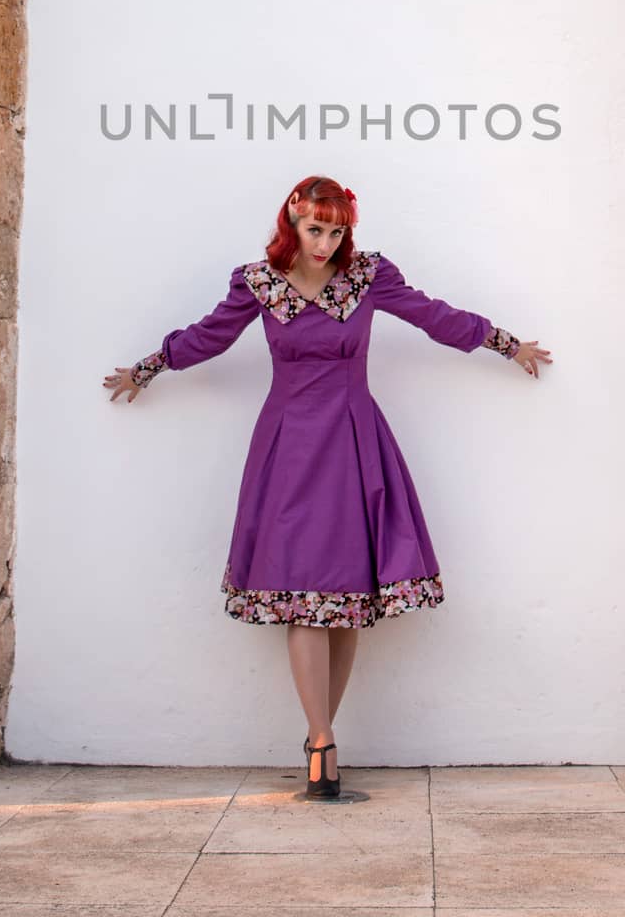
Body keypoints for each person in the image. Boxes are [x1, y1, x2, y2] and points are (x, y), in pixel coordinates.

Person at [103, 176, 552, 800]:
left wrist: (505, 344)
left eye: (336, 230)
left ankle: (322, 736)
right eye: (315, 229)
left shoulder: (368, 276)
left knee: (345, 603)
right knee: (303, 595)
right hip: (288, 448)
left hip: (354, 441)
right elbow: (209, 336)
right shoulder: (257, 282)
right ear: (292, 221)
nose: (325, 242)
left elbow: (432, 315)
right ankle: (321, 741)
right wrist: (148, 369)